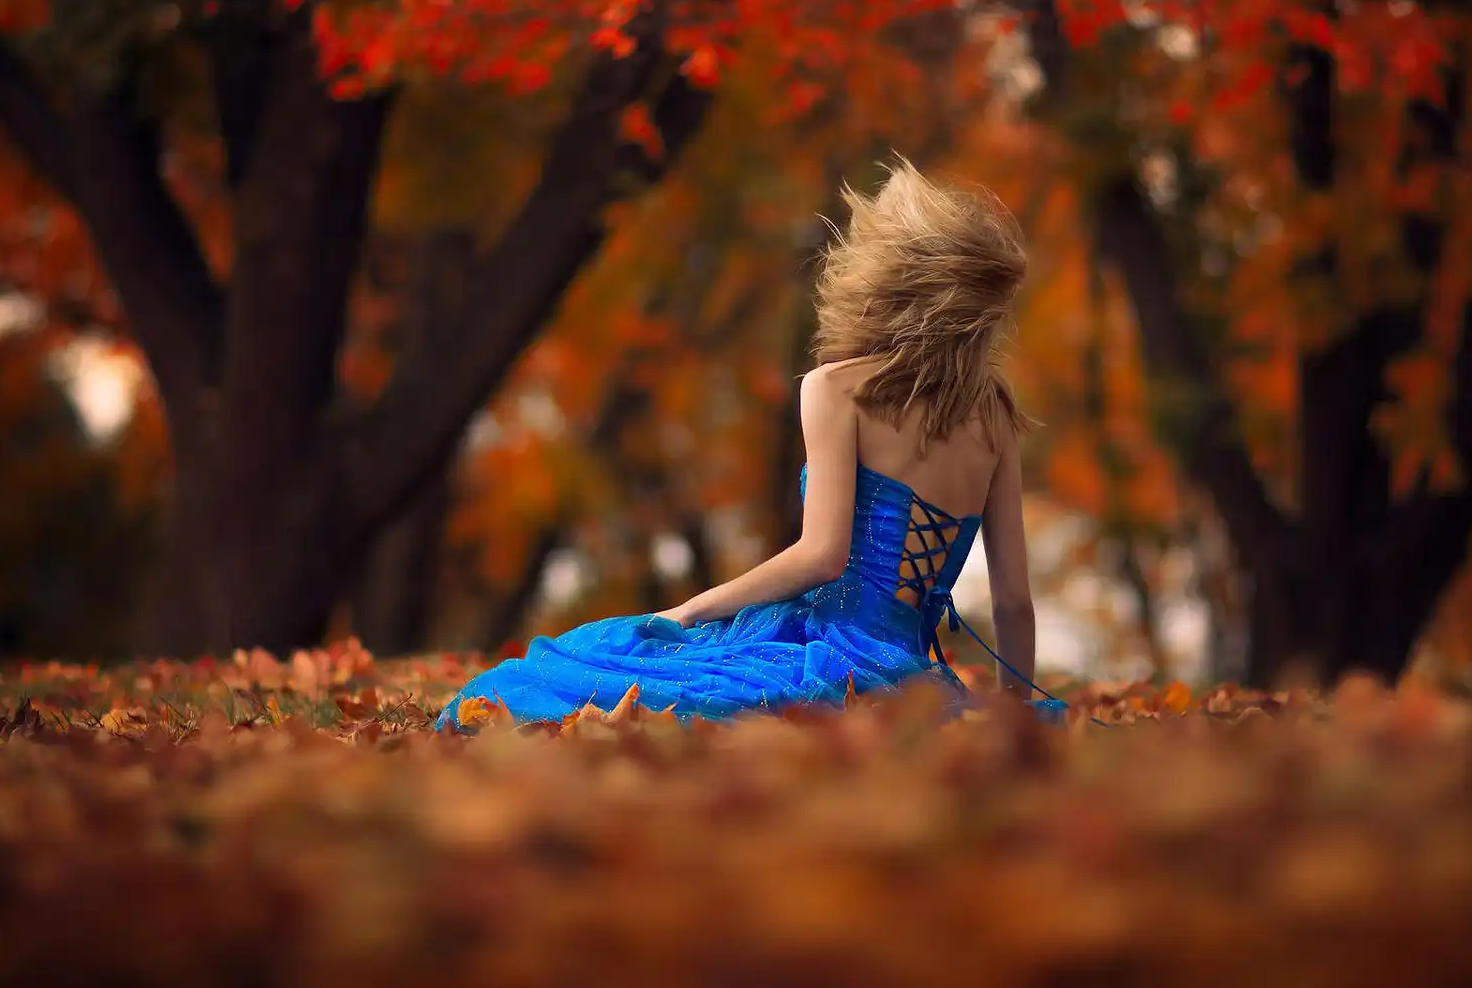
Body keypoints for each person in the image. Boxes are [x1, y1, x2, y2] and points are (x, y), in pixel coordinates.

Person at [435, 157, 1065, 731]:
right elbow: (1013, 599)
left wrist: (692, 609)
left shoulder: (837, 390)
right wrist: (1016, 713)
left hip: (830, 652)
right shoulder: (994, 419)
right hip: (912, 677)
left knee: (581, 668)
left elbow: (822, 557)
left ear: (887, 281)